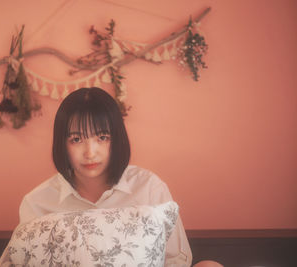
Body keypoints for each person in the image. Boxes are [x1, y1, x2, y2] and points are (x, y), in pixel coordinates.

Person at [18, 87, 192, 266]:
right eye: (76, 139)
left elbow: (176, 260)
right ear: (62, 144)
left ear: (117, 138)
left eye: (102, 137)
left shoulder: (149, 189)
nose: (90, 153)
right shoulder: (38, 203)